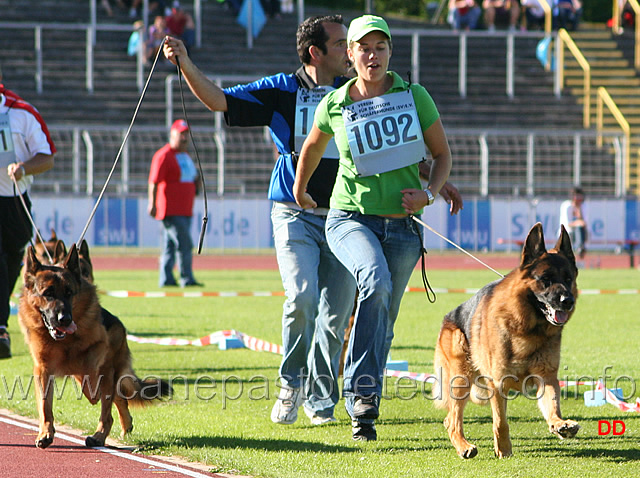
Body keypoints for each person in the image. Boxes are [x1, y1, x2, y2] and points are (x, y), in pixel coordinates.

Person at [162, 16, 462, 428]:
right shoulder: (280, 90)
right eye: (342, 45)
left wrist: (437, 186)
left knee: (336, 317)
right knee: (301, 297)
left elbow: (396, 148)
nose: (350, 52)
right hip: (293, 211)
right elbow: (218, 100)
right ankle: (290, 384)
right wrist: (185, 63)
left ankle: (322, 401)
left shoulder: (359, 90)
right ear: (315, 52)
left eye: (351, 45)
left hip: (347, 215)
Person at [293, 15, 452, 441]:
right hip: (348, 219)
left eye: (380, 47)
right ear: (350, 54)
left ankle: (363, 408)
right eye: (363, 47)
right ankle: (361, 399)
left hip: (402, 228)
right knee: (375, 283)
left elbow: (441, 156)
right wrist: (300, 187)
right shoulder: (336, 102)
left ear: (390, 53)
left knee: (385, 321)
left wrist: (430, 194)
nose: (372, 54)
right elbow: (311, 145)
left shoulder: (415, 97)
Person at [0, 67, 56, 359]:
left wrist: (24, 168)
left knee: (10, 264)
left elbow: (47, 157)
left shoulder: (22, 113)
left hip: (15, 201)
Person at [148, 119, 202, 288]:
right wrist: (152, 203)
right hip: (171, 210)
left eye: (186, 134)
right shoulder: (163, 155)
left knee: (169, 247)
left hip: (186, 209)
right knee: (185, 244)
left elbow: (192, 178)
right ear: (172, 134)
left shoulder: (185, 156)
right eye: (181, 134)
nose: (185, 138)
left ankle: (166, 279)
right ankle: (187, 278)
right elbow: (154, 181)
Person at [559, 186, 587, 261]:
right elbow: (567, 224)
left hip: (578, 233)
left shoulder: (583, 206)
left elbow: (584, 223)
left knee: (580, 228)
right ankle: (580, 247)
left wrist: (578, 210)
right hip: (567, 233)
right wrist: (578, 223)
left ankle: (580, 248)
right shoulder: (567, 206)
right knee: (578, 227)